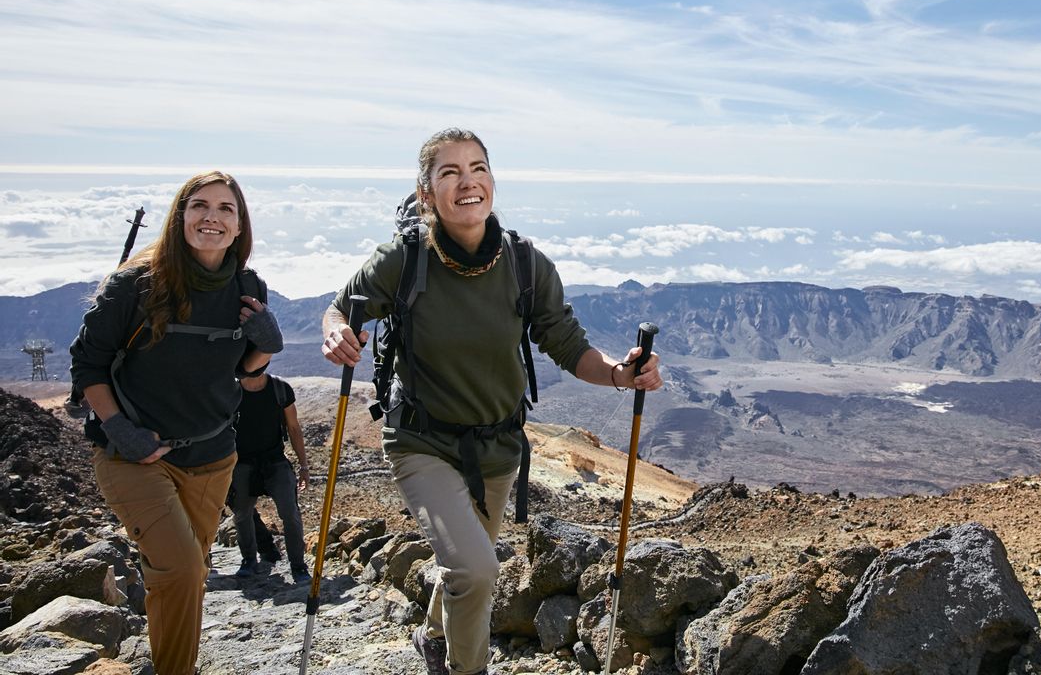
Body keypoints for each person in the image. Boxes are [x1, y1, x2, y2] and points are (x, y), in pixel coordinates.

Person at [321, 128, 662, 675]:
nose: (467, 182)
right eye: (449, 172)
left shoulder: (525, 265)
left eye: (477, 168)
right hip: (420, 441)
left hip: (499, 449)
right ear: (427, 193)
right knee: (478, 569)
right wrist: (336, 332)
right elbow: (340, 310)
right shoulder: (402, 261)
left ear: (492, 181)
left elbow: (569, 347)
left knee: (466, 563)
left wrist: (624, 375)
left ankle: (435, 636)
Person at [70, 171, 283, 675]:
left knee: (184, 575)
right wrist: (119, 427)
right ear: (180, 216)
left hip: (212, 456)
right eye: (200, 206)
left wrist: (263, 349)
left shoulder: (248, 286)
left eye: (226, 209)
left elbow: (243, 373)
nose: (212, 217)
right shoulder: (134, 285)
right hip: (134, 454)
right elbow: (87, 365)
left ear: (239, 225)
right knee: (183, 569)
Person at [229, 372, 311, 583]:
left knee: (290, 512)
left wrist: (303, 466)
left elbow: (294, 428)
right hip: (241, 463)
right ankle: (249, 560)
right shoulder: (230, 392)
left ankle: (298, 565)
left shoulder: (280, 390)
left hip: (274, 461)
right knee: (242, 513)